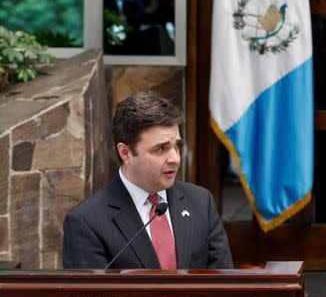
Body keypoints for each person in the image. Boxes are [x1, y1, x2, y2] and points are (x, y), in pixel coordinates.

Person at [62, 91, 233, 269]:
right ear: (125, 152)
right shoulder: (86, 222)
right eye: (161, 149)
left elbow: (225, 284)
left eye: (177, 146)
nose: (174, 158)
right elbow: (93, 295)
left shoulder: (200, 202)